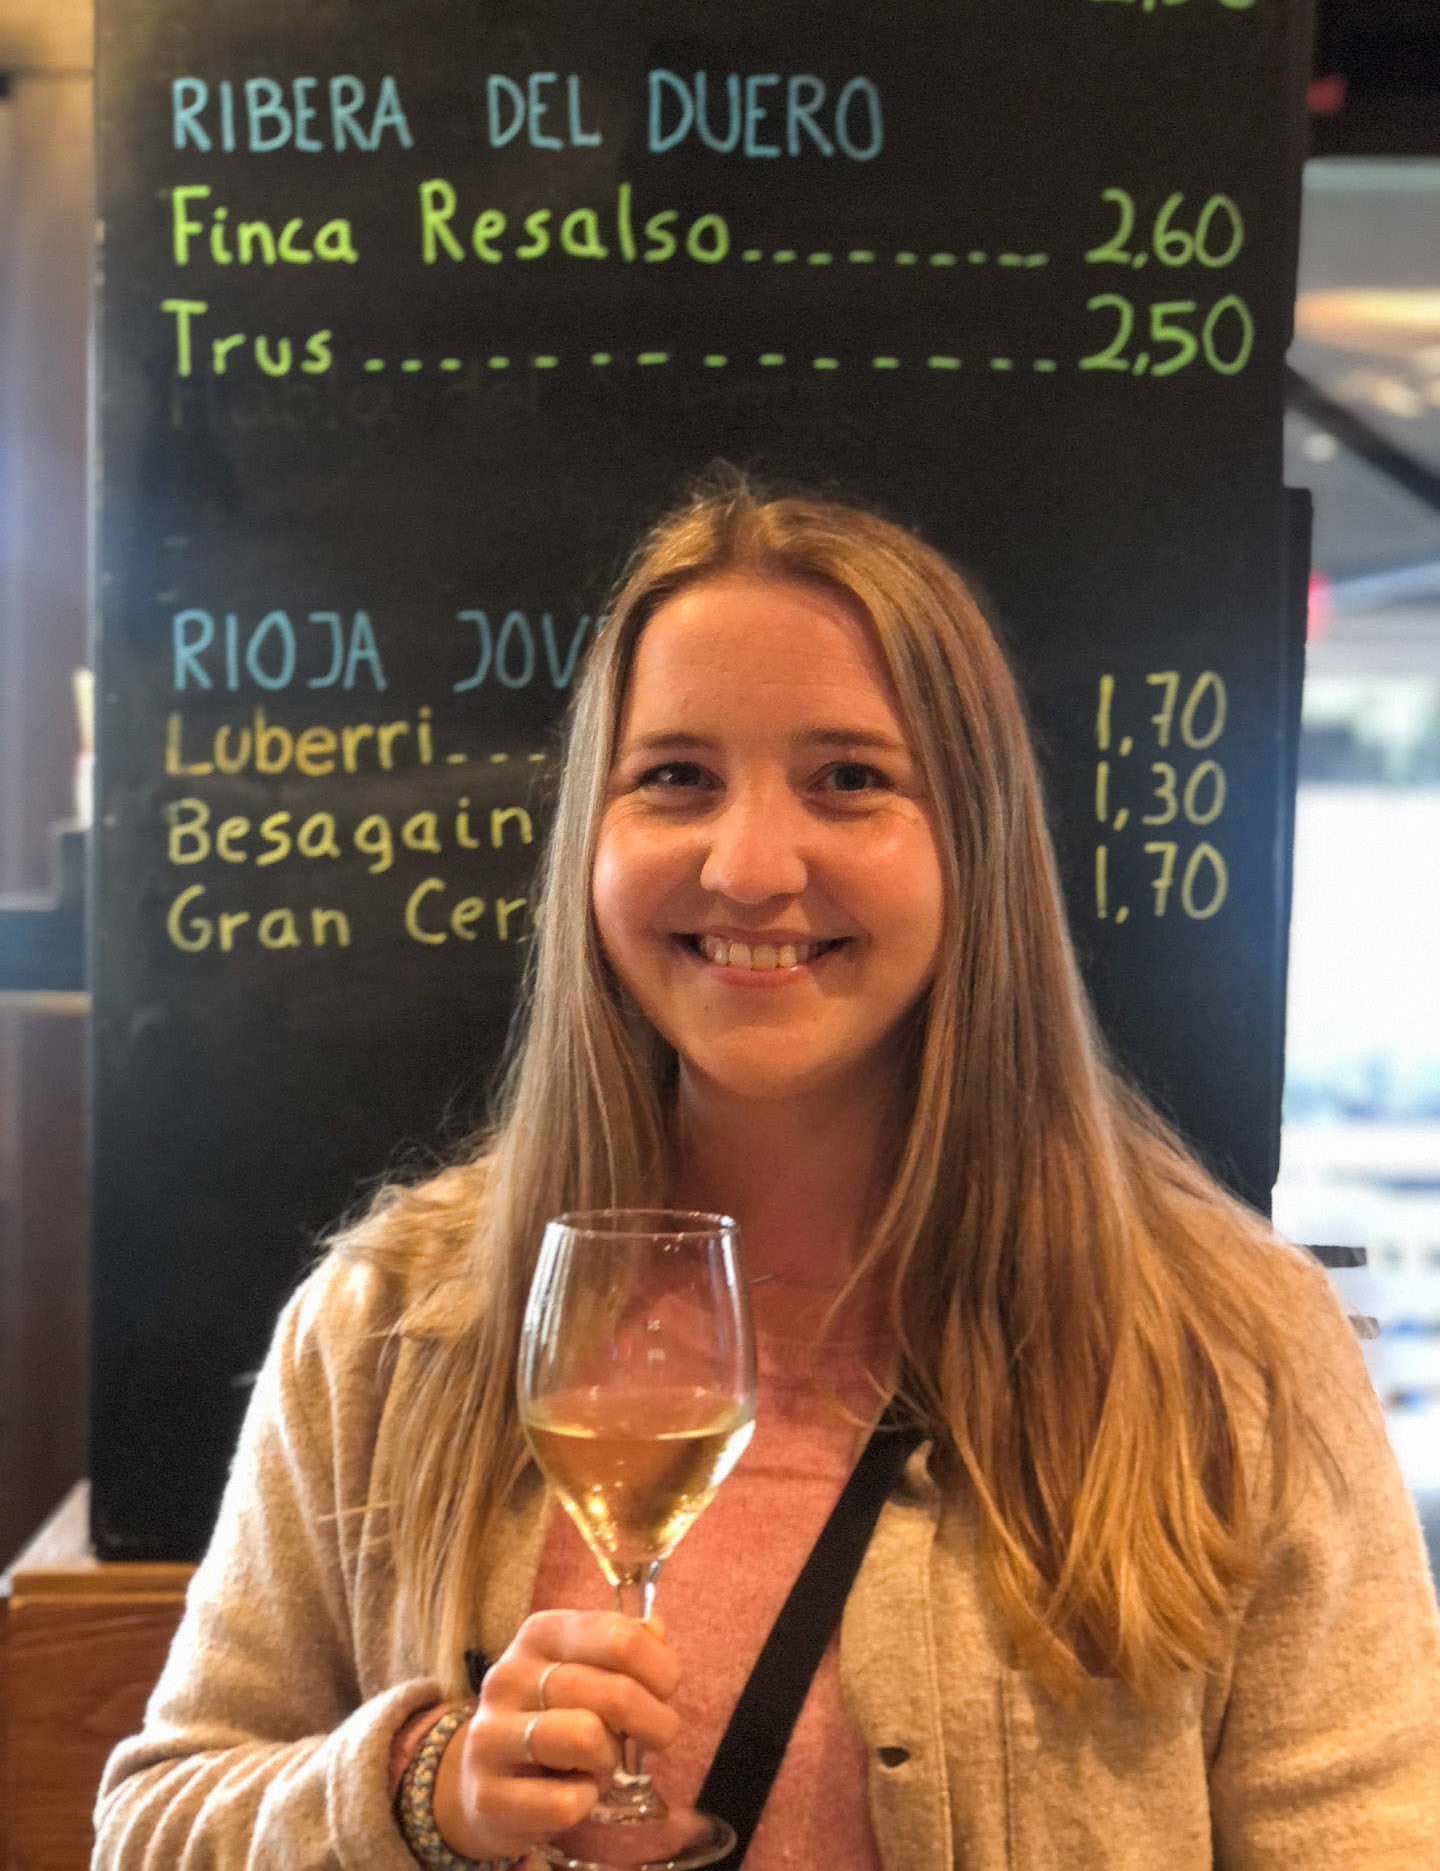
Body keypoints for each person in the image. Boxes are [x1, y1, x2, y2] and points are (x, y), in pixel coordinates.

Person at [94, 477, 1440, 1870]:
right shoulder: (388, 1329)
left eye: (849, 780)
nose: (747, 866)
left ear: (976, 843)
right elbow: (148, 1822)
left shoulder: (1237, 1356)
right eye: (674, 778)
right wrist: (418, 1788)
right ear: (592, 842)